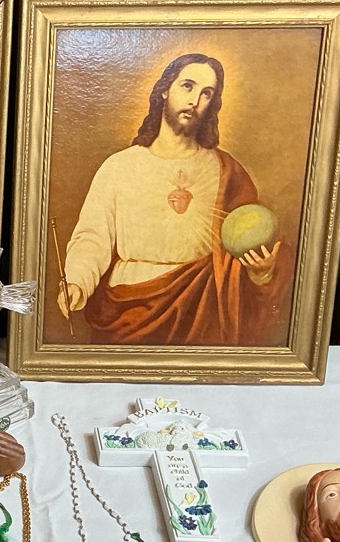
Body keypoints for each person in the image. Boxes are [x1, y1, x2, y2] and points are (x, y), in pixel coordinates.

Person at [58, 53, 291, 345]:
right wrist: (77, 281)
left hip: (202, 310)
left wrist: (261, 271)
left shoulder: (226, 170)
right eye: (188, 86)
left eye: (207, 93)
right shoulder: (119, 167)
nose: (195, 100)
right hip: (129, 311)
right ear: (165, 90)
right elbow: (93, 237)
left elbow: (247, 246)